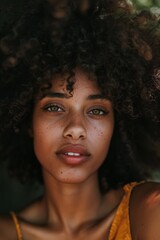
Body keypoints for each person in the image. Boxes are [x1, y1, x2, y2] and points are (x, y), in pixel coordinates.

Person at [0, 0, 160, 239]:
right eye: (54, 107)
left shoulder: (150, 211)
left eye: (97, 110)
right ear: (27, 121)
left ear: (116, 124)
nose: (75, 129)